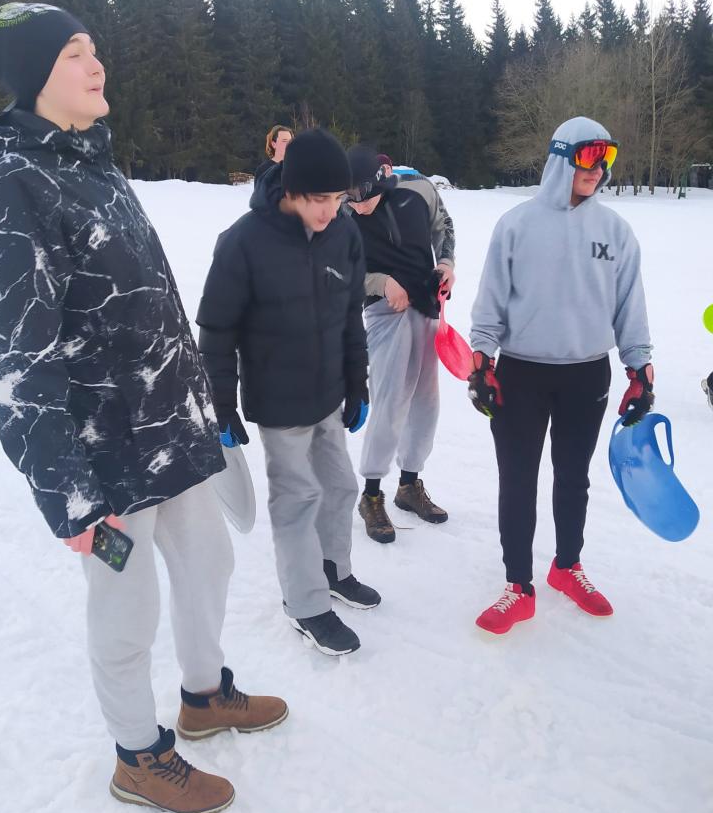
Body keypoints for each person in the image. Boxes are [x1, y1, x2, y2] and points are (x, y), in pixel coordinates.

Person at [0, 2, 287, 813]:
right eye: (74, 53)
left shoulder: (96, 164)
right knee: (127, 604)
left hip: (170, 429)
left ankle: (204, 695)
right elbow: (14, 359)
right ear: (35, 77)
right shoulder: (16, 186)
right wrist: (68, 493)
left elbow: (157, 306)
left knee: (209, 562)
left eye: (93, 48)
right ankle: (138, 755)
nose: (95, 63)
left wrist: (204, 406)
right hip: (104, 453)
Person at [197, 129, 380, 657]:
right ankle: (305, 604)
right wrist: (220, 404)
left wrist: (357, 381)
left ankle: (333, 570)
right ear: (291, 190)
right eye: (318, 198)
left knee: (340, 486)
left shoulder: (343, 233)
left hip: (328, 392)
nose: (329, 210)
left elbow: (351, 316)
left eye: (337, 198)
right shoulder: (244, 241)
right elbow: (216, 330)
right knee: (298, 499)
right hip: (278, 400)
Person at [469, 116, 654, 635]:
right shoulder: (516, 225)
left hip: (587, 374)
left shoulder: (615, 231)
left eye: (607, 158)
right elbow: (490, 304)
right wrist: (481, 364)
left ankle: (566, 566)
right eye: (590, 156)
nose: (599, 169)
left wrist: (639, 369)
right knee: (518, 479)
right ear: (561, 156)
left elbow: (630, 307)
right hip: (521, 374)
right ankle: (518, 585)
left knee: (574, 477)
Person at [345, 146, 455, 543]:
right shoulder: (340, 213)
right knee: (390, 400)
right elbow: (335, 272)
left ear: (381, 180)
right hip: (383, 312)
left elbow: (444, 226)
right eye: (348, 197)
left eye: (362, 196)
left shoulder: (418, 189)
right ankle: (371, 495)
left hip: (426, 305)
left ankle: (409, 484)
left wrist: (446, 264)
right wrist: (380, 283)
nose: (357, 205)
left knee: (426, 402)